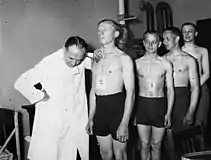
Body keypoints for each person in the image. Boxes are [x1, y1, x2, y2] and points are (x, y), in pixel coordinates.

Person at [14, 36, 94, 160]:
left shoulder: (81, 58)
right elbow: (20, 82)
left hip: (74, 115)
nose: (74, 63)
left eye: (79, 60)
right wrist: (40, 95)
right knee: (51, 154)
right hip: (53, 117)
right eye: (71, 58)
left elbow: (98, 61)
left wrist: (101, 53)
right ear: (64, 50)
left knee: (70, 153)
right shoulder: (49, 63)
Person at [86, 19, 135, 160]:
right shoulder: (96, 58)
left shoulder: (124, 59)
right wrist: (90, 118)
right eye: (99, 30)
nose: (100, 33)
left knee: (120, 155)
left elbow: (131, 94)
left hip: (117, 107)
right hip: (100, 108)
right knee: (105, 154)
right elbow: (93, 91)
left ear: (116, 33)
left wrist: (125, 123)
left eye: (105, 29)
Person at [135, 30, 174, 160]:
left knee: (156, 144)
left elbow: (170, 90)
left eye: (154, 42)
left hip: (159, 105)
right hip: (142, 105)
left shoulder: (165, 64)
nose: (150, 45)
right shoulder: (136, 64)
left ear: (159, 44)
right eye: (147, 42)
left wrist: (168, 113)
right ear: (143, 43)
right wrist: (133, 112)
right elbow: (132, 91)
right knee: (144, 144)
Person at [162, 27, 200, 160]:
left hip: (182, 100)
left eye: (167, 38)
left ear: (177, 38)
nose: (164, 41)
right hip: (165, 99)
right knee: (167, 141)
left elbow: (195, 88)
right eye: (163, 39)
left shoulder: (189, 60)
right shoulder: (162, 59)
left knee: (183, 141)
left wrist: (191, 111)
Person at [181, 22, 210, 128]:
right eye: (184, 32)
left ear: (196, 33)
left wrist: (195, 87)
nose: (187, 34)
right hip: (184, 89)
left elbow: (206, 73)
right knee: (186, 122)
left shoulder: (202, 51)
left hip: (201, 88)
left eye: (190, 31)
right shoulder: (178, 51)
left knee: (200, 123)